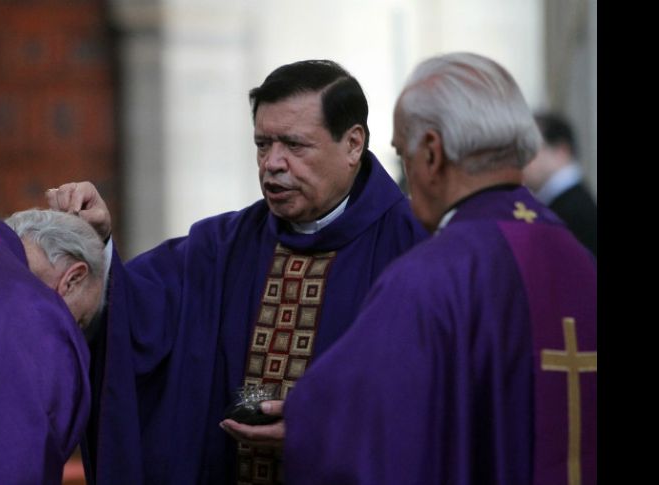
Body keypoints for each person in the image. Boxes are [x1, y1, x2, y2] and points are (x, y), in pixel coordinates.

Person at [47, 60, 428, 485]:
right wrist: (98, 242)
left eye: (295, 145)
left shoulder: (416, 249)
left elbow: (436, 397)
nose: (273, 164)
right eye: (263, 144)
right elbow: (132, 318)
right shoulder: (220, 247)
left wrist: (328, 429)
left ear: (353, 144)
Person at [283, 52, 597, 485]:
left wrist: (300, 414)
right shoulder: (578, 257)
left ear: (431, 153)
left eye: (401, 156)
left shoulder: (434, 276)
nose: (405, 177)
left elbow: (347, 428)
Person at [0, 209, 106, 484]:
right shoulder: (31, 313)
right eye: (79, 322)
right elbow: (7, 462)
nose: (72, 330)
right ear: (72, 280)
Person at [522, 112, 597, 257]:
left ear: (561, 151)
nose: (522, 159)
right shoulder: (567, 203)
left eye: (530, 148)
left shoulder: (573, 211)